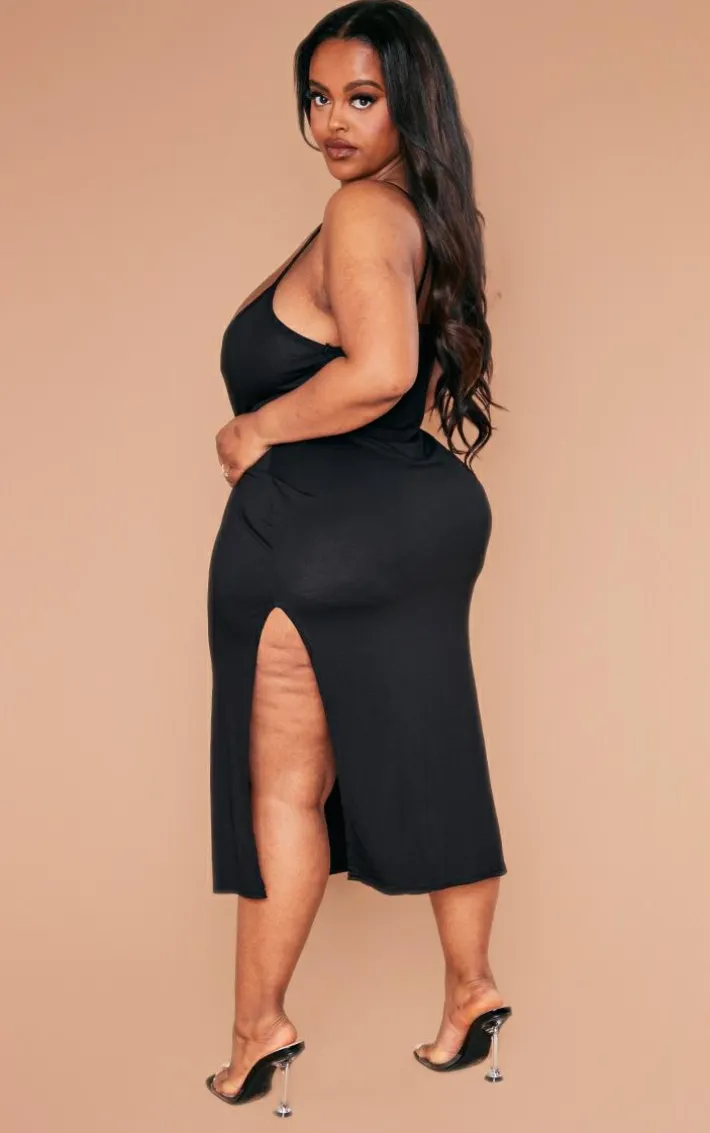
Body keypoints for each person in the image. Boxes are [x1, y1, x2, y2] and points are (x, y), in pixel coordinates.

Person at [204, 1, 512, 1113]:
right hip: (418, 515)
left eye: (361, 98)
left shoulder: (359, 212)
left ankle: (258, 1028)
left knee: (286, 787)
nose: (333, 121)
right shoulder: (424, 212)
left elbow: (379, 372)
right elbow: (405, 376)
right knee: (436, 745)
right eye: (318, 98)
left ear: (407, 104)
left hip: (319, 534)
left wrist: (255, 428)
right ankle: (470, 986)